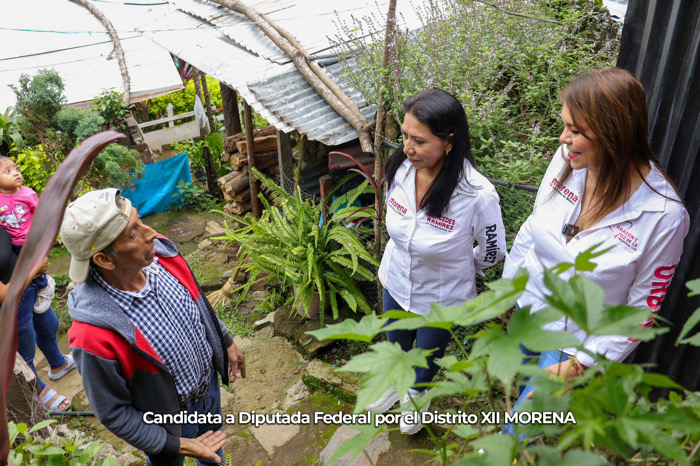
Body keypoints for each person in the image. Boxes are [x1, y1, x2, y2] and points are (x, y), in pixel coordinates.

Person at [502, 67, 690, 411]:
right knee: (519, 395)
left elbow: (642, 308)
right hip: (529, 310)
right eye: (564, 125)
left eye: (575, 130)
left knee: (522, 427)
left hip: (576, 342)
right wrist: (508, 292)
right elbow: (533, 227)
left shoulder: (664, 216)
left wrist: (581, 366)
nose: (562, 138)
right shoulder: (569, 160)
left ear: (613, 134)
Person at [61, 188, 246, 465]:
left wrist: (225, 340)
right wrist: (170, 443)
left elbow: (198, 305)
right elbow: (113, 412)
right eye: (133, 233)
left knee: (213, 454)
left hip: (207, 394)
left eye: (140, 220)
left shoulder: (163, 256)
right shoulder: (91, 336)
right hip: (164, 424)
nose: (151, 233)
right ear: (105, 259)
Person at [370, 89, 506, 434]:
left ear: (448, 142)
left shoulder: (476, 194)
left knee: (428, 354)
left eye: (418, 140)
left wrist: (464, 269)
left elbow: (493, 251)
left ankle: (417, 398)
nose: (406, 147)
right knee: (396, 343)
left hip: (442, 297)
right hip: (397, 280)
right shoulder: (401, 169)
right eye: (404, 135)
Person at [0, 228, 74, 413]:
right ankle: (38, 390)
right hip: (11, 306)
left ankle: (58, 364)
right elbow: (4, 295)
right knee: (25, 354)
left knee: (50, 325)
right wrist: (34, 270)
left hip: (30, 290)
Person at [0, 155, 56, 313]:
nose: (16, 173)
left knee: (37, 267)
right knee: (23, 268)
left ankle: (45, 288)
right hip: (13, 244)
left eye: (16, 169)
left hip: (31, 241)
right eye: (8, 171)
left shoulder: (27, 194)